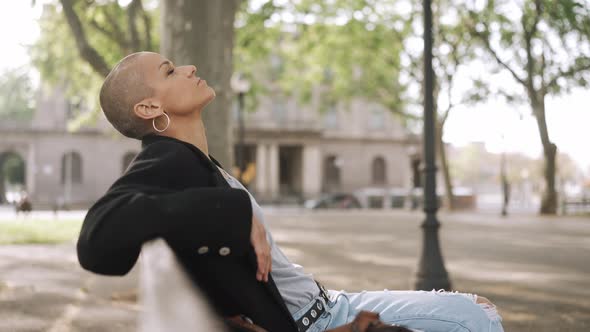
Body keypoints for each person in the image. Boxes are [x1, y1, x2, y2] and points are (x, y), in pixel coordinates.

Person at [77, 51, 504, 332]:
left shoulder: (194, 160)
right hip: (318, 321)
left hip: (330, 303)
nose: (188, 67)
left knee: (480, 307)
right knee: (480, 319)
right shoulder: (170, 158)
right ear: (150, 108)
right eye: (169, 71)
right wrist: (234, 208)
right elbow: (98, 239)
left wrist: (231, 205)